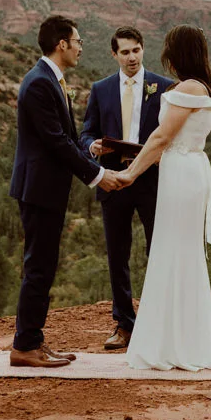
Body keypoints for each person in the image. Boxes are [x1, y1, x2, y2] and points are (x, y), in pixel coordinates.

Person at [9, 16, 127, 368]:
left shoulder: (49, 80)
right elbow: (56, 143)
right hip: (39, 190)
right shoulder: (39, 84)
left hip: (46, 190)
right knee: (38, 268)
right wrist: (98, 176)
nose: (80, 47)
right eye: (77, 41)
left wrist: (91, 151)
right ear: (61, 44)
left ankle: (33, 340)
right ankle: (25, 345)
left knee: (44, 266)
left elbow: (67, 140)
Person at [118, 26, 211, 373]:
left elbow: (160, 137)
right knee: (175, 250)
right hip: (185, 171)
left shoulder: (189, 88)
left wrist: (129, 174)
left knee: (175, 250)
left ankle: (175, 343)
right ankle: (177, 338)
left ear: (178, 53)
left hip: (181, 173)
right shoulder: (199, 87)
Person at [80, 26, 171, 350]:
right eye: (125, 52)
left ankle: (159, 322)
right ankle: (124, 325)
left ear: (143, 49)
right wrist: (93, 148)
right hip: (113, 179)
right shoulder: (101, 89)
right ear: (114, 54)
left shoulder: (164, 87)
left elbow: (174, 134)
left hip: (151, 180)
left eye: (136, 50)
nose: (131, 57)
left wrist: (164, 155)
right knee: (117, 253)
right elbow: (86, 132)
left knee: (158, 251)